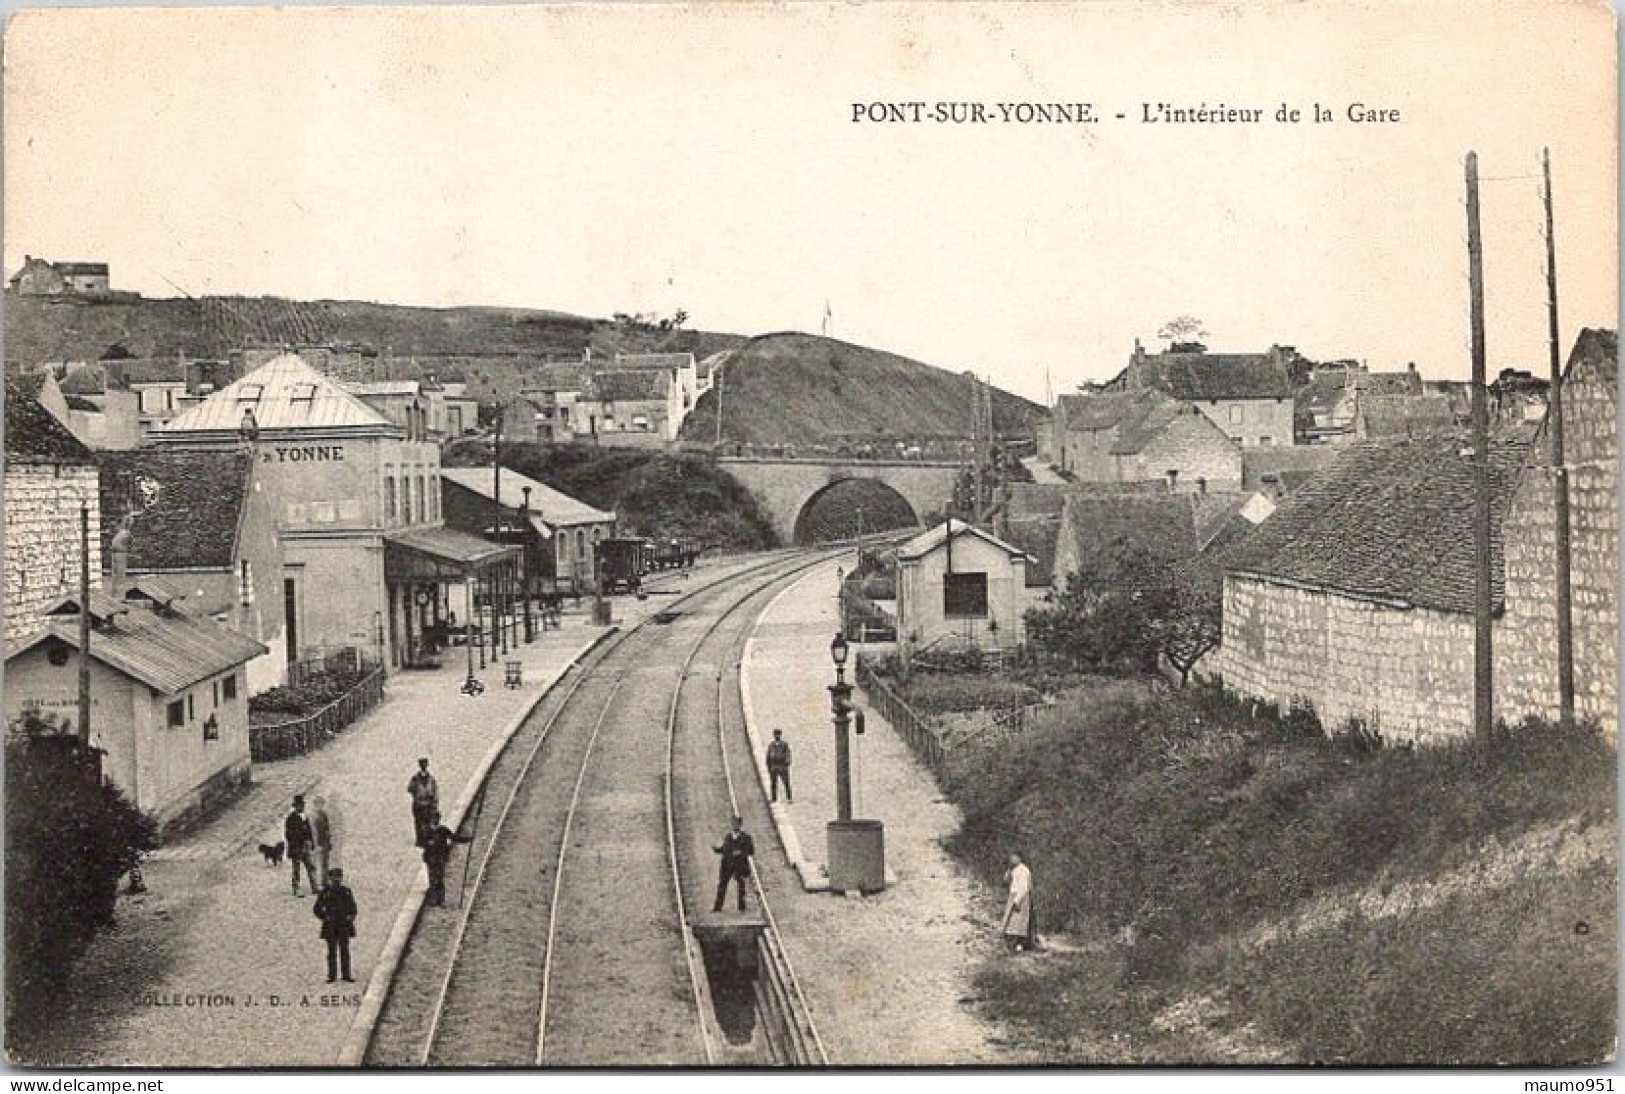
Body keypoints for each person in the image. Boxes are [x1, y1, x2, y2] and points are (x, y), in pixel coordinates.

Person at [313, 867, 357, 983]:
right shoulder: (326, 892)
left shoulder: (346, 891)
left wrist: (350, 917)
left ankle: (346, 975)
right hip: (331, 925)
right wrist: (325, 917)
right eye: (334, 877)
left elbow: (353, 908)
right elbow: (317, 908)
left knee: (345, 950)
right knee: (331, 951)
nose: (336, 879)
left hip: (343, 924)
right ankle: (332, 975)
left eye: (339, 877)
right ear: (330, 878)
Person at [421, 809, 473, 907]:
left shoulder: (443, 830)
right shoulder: (427, 831)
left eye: (436, 819)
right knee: (433, 878)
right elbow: (424, 844)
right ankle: (433, 899)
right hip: (432, 858)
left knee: (439, 878)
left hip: (440, 858)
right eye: (433, 819)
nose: (435, 821)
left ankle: (440, 900)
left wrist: (467, 839)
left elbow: (454, 837)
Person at [711, 815, 754, 913]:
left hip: (739, 865)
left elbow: (751, 851)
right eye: (733, 823)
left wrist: (740, 853)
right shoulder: (728, 836)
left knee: (741, 885)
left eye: (737, 824)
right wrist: (717, 849)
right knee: (722, 885)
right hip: (727, 865)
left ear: (740, 825)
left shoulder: (746, 838)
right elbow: (724, 849)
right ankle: (717, 907)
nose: (735, 826)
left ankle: (741, 907)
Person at [1001, 853, 1038, 953]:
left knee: (1018, 922)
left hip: (1021, 898)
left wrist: (1017, 901)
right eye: (1011, 857)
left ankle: (1019, 944)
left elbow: (1024, 888)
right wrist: (1008, 870)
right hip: (1014, 896)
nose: (1012, 859)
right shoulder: (1014, 869)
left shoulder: (1024, 870)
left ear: (1020, 858)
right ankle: (1013, 944)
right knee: (1011, 921)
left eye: (1015, 857)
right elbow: (1005, 881)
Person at [285, 795, 317, 898]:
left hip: (305, 846)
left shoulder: (304, 817)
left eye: (303, 805)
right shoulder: (291, 818)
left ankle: (314, 886)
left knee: (311, 866)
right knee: (296, 869)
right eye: (300, 805)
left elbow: (309, 831)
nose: (302, 807)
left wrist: (311, 842)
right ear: (296, 806)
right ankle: (296, 888)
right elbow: (288, 834)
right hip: (296, 847)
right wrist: (298, 840)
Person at [407, 757, 439, 848]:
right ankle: (420, 839)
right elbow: (409, 788)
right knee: (419, 822)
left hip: (428, 803)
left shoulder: (431, 779)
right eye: (422, 764)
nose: (423, 766)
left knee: (428, 821)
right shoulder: (415, 778)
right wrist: (416, 794)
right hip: (418, 803)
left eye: (425, 764)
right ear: (420, 765)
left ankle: (427, 839)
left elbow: (435, 791)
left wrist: (434, 802)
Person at [311, 795, 333, 892]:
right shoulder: (314, 816)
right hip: (318, 842)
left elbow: (327, 829)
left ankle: (324, 881)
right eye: (318, 804)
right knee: (317, 863)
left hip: (325, 842)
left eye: (321, 804)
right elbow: (314, 831)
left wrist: (328, 840)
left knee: (325, 862)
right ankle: (319, 882)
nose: (320, 806)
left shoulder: (323, 814)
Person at [766, 730, 793, 804]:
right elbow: (768, 757)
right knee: (773, 784)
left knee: (786, 783)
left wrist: (786, 763)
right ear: (774, 735)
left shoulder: (784, 744)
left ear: (780, 735)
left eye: (778, 735)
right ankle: (774, 798)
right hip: (774, 767)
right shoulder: (771, 745)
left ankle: (789, 798)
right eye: (775, 735)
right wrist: (769, 767)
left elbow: (788, 754)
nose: (777, 736)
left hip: (782, 766)